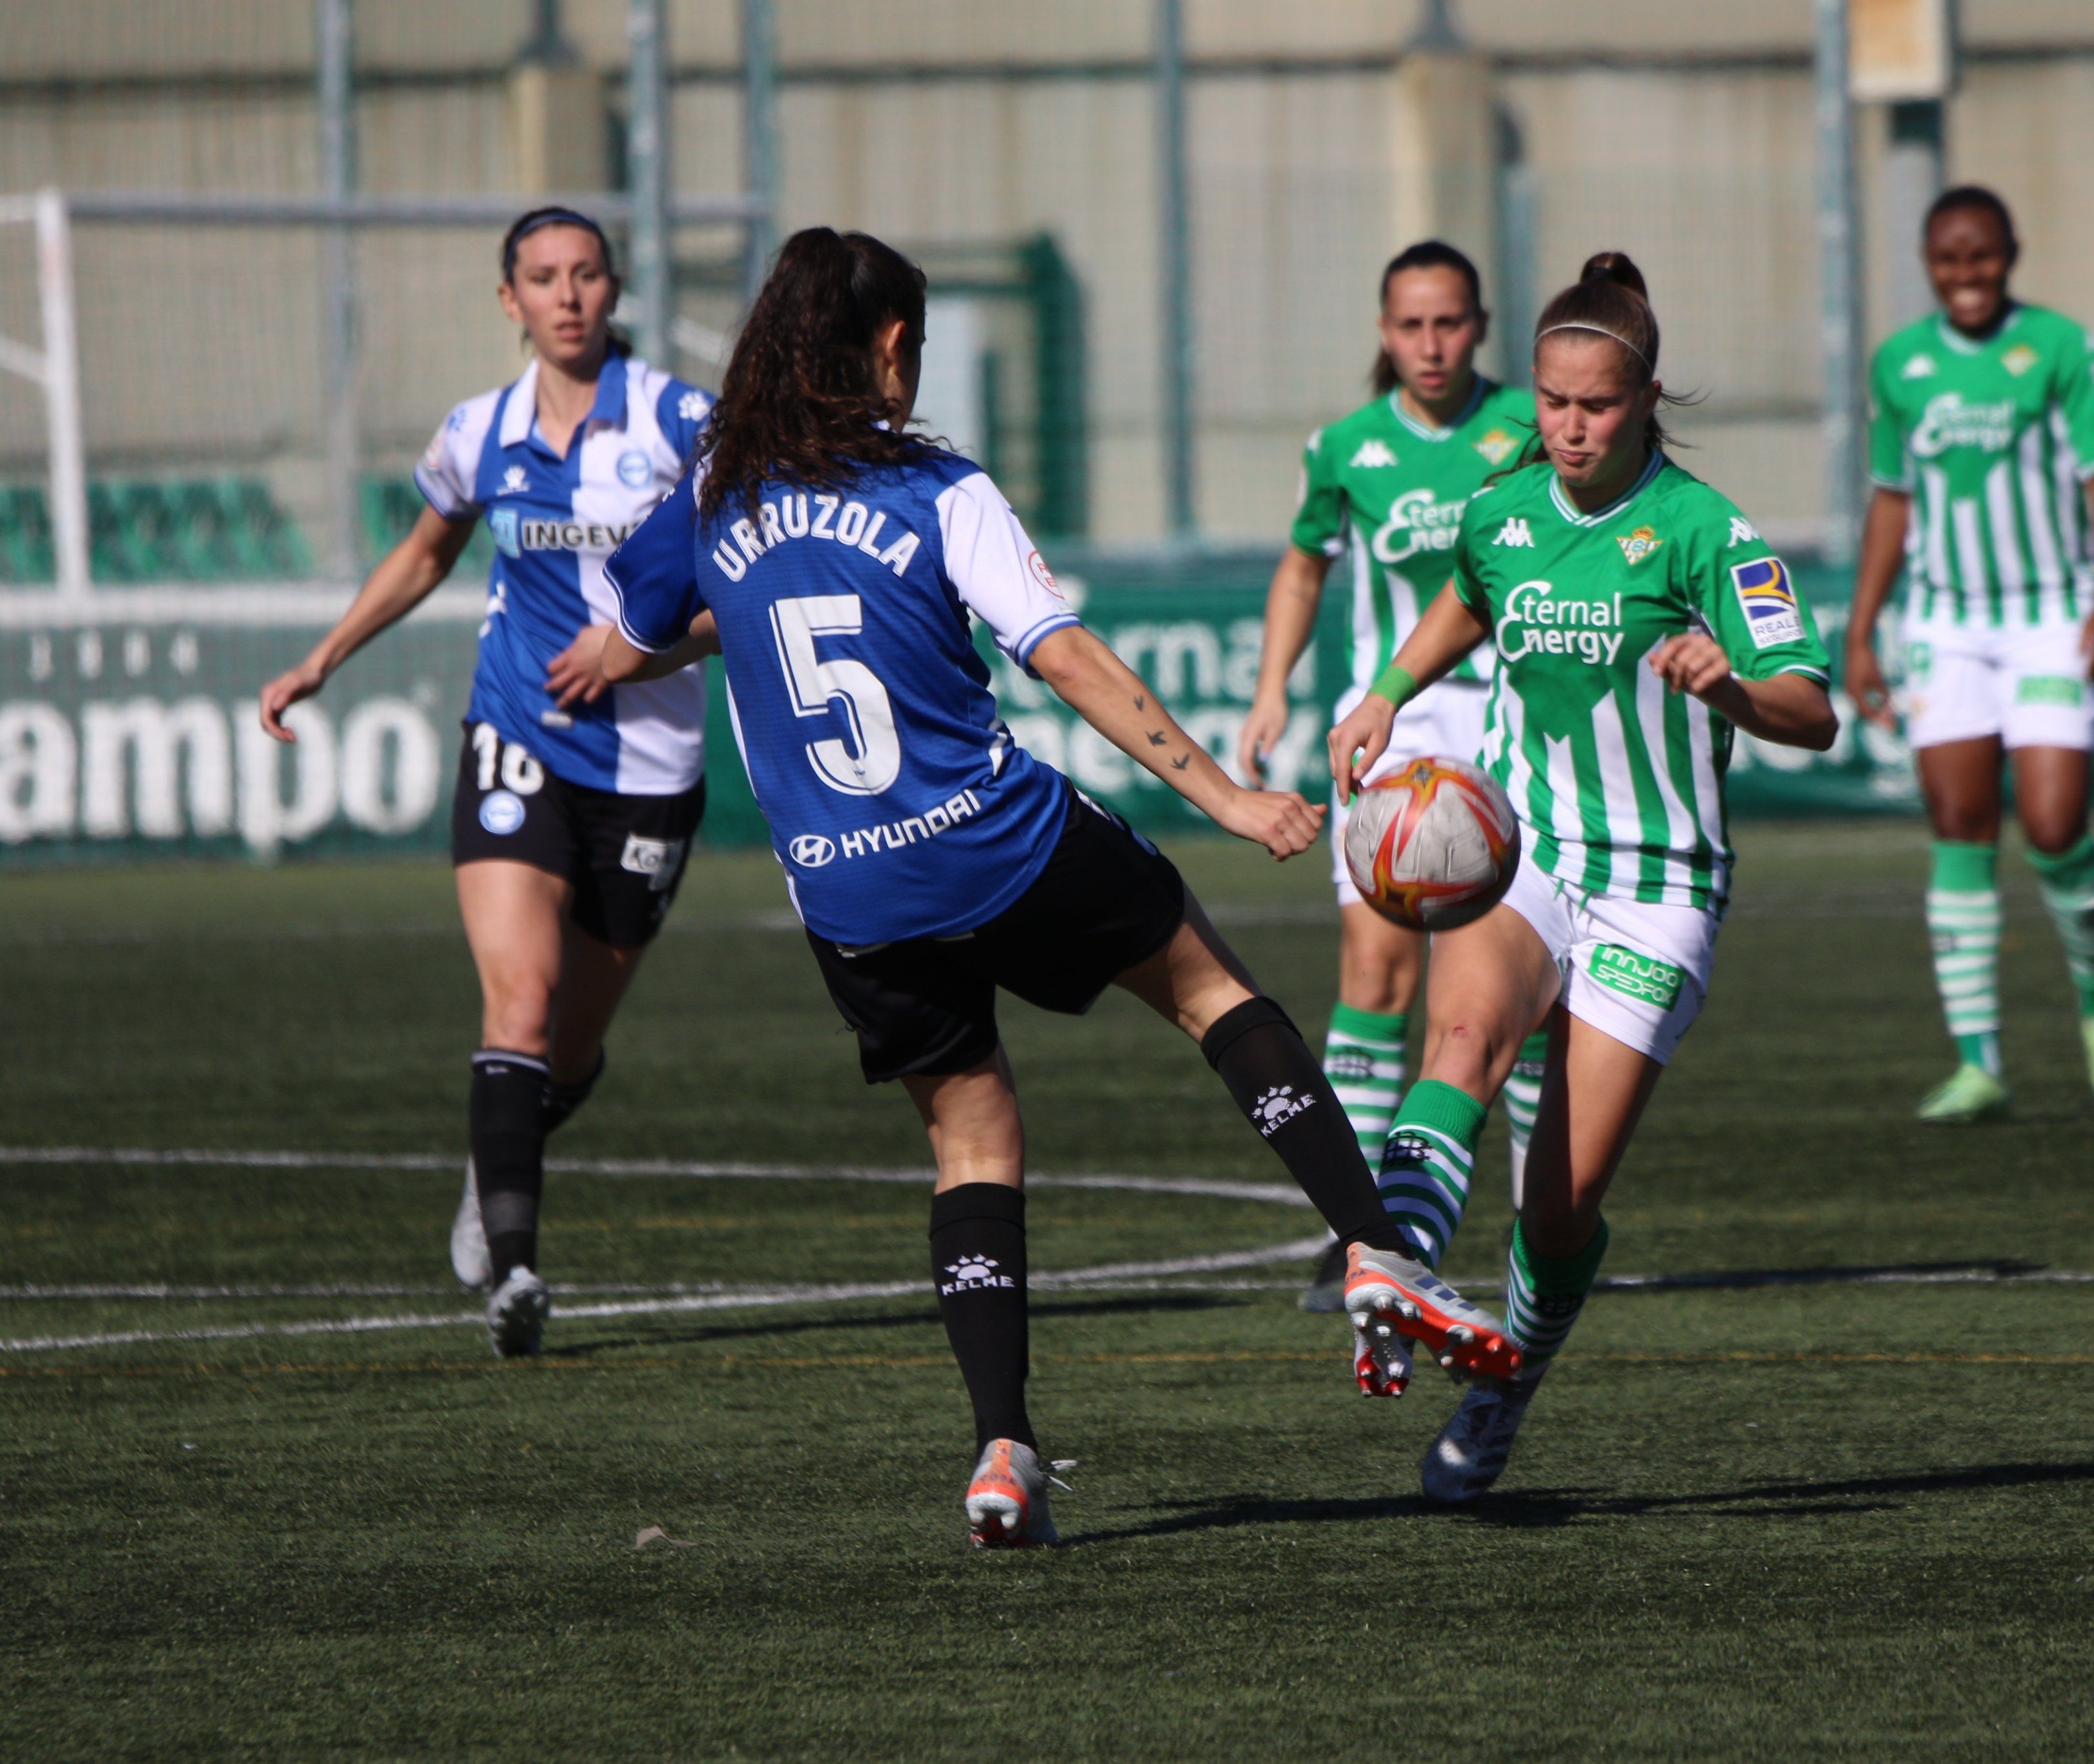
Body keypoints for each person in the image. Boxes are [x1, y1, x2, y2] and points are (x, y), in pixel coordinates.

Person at [598, 228, 1518, 1549]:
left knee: (968, 1144)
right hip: (999, 837)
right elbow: (1065, 656)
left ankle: (1002, 1452)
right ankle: (1373, 1240)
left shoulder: (712, 490)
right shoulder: (935, 483)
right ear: (889, 347)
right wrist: (1226, 797)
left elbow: (632, 642)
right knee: (1211, 992)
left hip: (848, 893)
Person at [1327, 252, 1838, 1503]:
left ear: (1646, 399)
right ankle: (1392, 1268)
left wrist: (1735, 687)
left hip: (1656, 884)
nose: (1566, 425)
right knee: (1456, 1036)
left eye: (1595, 405)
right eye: (1552, 402)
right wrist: (1387, 694)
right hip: (1529, 847)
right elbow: (1465, 593)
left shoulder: (1712, 536)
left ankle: (1504, 1390)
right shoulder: (1506, 510)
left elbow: (1813, 711)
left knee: (1556, 1213)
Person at [258, 207, 720, 1357]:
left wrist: (642, 649)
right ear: (508, 302)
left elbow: (750, 583)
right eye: (542, 278)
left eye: (587, 274)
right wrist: (323, 657)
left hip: (651, 771)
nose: (567, 295)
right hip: (514, 737)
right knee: (516, 1001)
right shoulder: (479, 432)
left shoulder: (680, 423)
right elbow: (427, 550)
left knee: (567, 1048)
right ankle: (515, 1269)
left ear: (615, 290)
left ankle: (497, 1153)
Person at [1238, 242, 1544, 1311]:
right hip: (1391, 732)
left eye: (1449, 323)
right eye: (1411, 326)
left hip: (1510, 729)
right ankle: (1361, 1226)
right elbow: (1304, 564)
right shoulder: (1346, 448)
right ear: (1383, 331)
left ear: (1480, 324)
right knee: (1377, 976)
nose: (1430, 344)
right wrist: (1273, 686)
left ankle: (1534, 1216)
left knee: (1517, 984)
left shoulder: (1529, 429)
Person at [1840, 185, 2094, 1125]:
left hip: (2049, 614)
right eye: (1948, 260)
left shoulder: (2061, 348)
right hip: (1944, 624)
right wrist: (1862, 630)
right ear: (1930, 266)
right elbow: (1892, 499)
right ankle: (1980, 1063)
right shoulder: (1900, 364)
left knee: (2054, 823)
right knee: (1959, 824)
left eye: (1981, 257)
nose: (1966, 275)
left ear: (2010, 255)